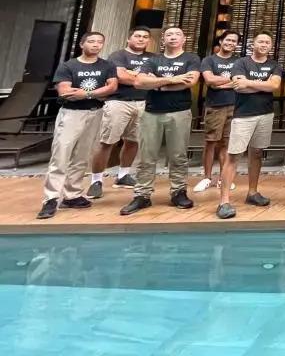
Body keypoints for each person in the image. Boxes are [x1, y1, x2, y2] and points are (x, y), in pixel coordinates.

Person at [37, 32, 119, 219]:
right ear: (82, 44)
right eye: (91, 41)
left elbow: (112, 87)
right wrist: (98, 92)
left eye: (99, 42)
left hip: (95, 112)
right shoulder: (69, 66)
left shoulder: (107, 65)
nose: (96, 45)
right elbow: (65, 91)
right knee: (61, 155)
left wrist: (86, 94)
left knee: (82, 156)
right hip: (71, 114)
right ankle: (51, 198)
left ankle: (72, 194)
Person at [120, 26, 201, 215]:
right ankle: (142, 195)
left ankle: (178, 192)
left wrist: (156, 83)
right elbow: (139, 82)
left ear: (184, 39)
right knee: (147, 156)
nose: (173, 37)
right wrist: (172, 80)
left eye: (177, 34)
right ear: (163, 39)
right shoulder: (152, 60)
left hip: (179, 112)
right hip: (151, 112)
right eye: (169, 34)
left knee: (178, 155)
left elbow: (189, 82)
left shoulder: (191, 59)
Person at [216, 31, 282, 219]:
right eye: (261, 41)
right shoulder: (241, 63)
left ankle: (252, 192)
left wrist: (249, 83)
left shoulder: (274, 65)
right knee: (233, 156)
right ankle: (224, 201)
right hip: (243, 116)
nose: (264, 44)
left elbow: (274, 86)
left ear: (271, 46)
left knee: (257, 153)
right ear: (253, 44)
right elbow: (239, 86)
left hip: (265, 114)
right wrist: (262, 84)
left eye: (267, 42)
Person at [86, 26, 155, 199]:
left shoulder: (153, 57)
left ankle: (123, 175)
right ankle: (96, 180)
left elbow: (157, 78)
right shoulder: (118, 56)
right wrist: (144, 79)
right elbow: (121, 76)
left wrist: (134, 75)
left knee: (134, 141)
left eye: (145, 37)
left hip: (144, 103)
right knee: (107, 141)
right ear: (129, 38)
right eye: (137, 36)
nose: (141, 39)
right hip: (119, 102)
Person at [195, 30, 240, 193]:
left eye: (234, 41)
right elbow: (210, 80)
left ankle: (223, 178)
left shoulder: (239, 62)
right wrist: (231, 80)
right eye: (228, 40)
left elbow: (241, 82)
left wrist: (220, 83)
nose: (230, 43)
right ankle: (207, 177)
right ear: (220, 41)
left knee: (226, 143)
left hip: (234, 105)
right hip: (215, 106)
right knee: (211, 141)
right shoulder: (209, 60)